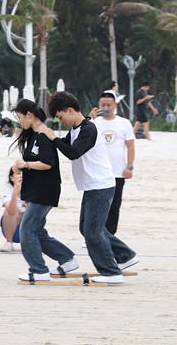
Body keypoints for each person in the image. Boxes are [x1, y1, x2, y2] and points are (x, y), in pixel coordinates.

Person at [37, 91, 139, 284]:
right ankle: (126, 256)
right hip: (92, 186)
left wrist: (52, 137)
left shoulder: (88, 129)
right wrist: (47, 137)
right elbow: (63, 145)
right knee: (88, 228)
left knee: (92, 232)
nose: (61, 121)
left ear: (70, 110)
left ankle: (111, 272)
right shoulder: (76, 129)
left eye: (60, 116)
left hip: (100, 186)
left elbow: (73, 153)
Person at [10, 99, 79, 282]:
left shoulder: (42, 135)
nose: (19, 122)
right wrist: (20, 167)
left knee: (27, 230)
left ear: (29, 115)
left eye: (20, 117)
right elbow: (34, 161)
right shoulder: (34, 134)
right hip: (37, 190)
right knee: (38, 231)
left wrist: (25, 164)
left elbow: (48, 163)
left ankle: (39, 270)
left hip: (45, 190)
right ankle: (67, 260)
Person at [90, 92, 135, 234]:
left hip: (117, 172)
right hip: (97, 172)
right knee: (95, 205)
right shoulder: (93, 123)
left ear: (115, 105)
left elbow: (130, 146)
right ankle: (94, 234)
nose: (105, 108)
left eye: (108, 105)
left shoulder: (124, 123)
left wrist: (129, 167)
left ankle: (110, 235)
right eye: (102, 105)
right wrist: (89, 119)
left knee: (114, 206)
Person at [0, 165, 26, 252]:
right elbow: (11, 210)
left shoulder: (32, 189)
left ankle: (34, 243)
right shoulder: (8, 190)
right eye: (18, 173)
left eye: (23, 173)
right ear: (12, 178)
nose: (21, 175)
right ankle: (9, 243)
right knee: (8, 212)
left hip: (28, 227)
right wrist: (15, 193)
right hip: (12, 229)